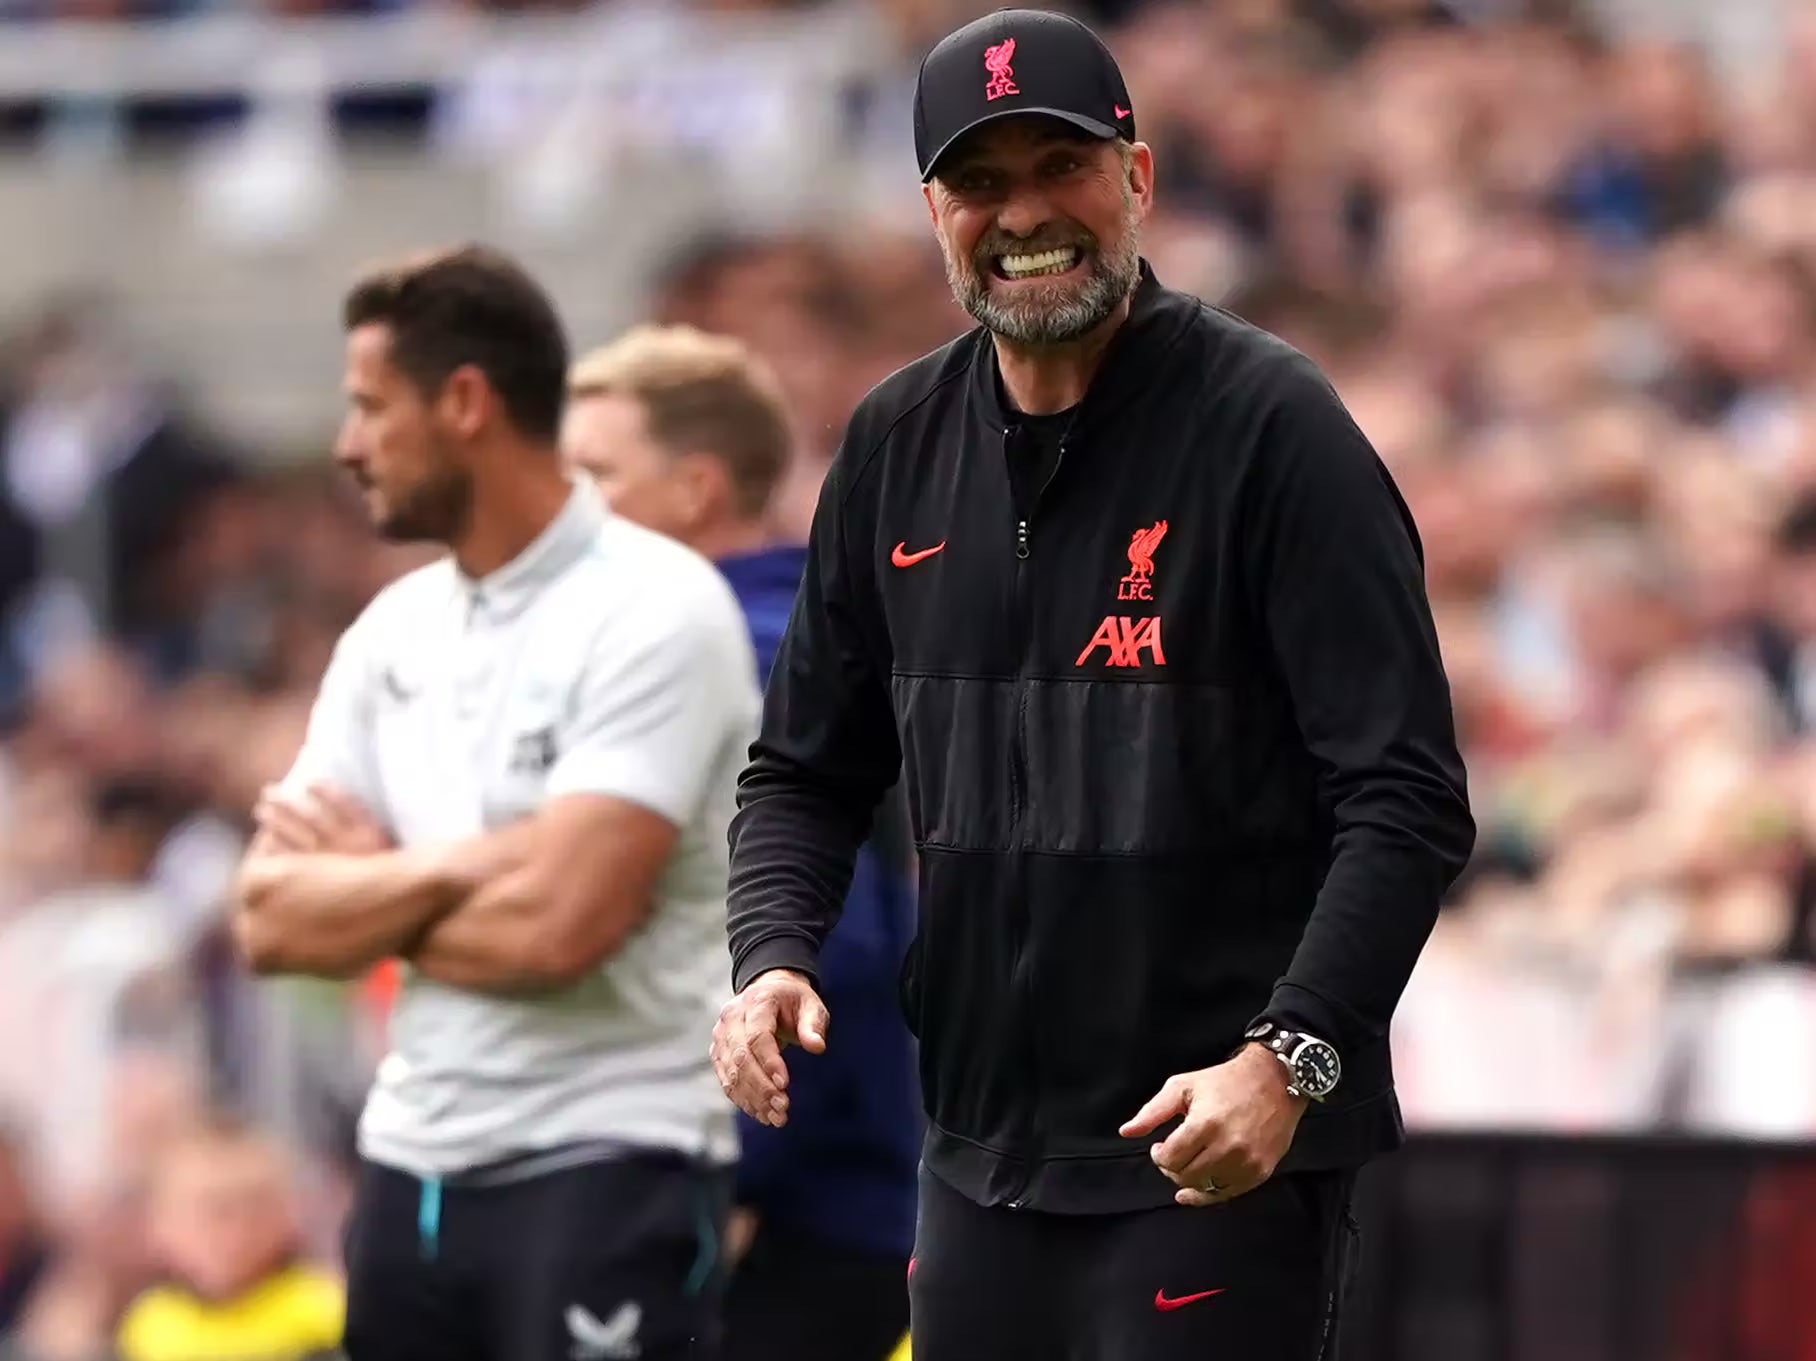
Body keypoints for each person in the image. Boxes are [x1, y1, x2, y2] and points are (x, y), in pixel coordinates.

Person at [710, 10, 1475, 1361]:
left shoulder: (1272, 427)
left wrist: (1287, 1060)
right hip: (978, 1159)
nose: (1024, 215)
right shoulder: (895, 439)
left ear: (1137, 176)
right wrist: (770, 953)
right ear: (934, 210)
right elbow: (805, 770)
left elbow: (1404, 800)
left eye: (1058, 167)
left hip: (1211, 1147)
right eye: (980, 183)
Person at [231, 245, 759, 1361]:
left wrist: (370, 882)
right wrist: (467, 864)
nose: (346, 445)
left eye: (371, 407)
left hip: (611, 1158)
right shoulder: (393, 629)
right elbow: (269, 921)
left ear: (464, 401)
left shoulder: (658, 608)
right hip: (409, 1166)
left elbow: (559, 929)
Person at [564, 324, 919, 1361]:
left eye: (595, 473)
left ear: (695, 487)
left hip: (777, 1216)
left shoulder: (742, 656)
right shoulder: (747, 639)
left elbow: (821, 949)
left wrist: (731, 1178)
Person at [116, 1117, 344, 1361]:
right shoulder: (151, 1328)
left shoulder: (322, 1313)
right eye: (213, 1212)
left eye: (255, 1206)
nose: (235, 1231)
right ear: (160, 1227)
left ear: (289, 1215)